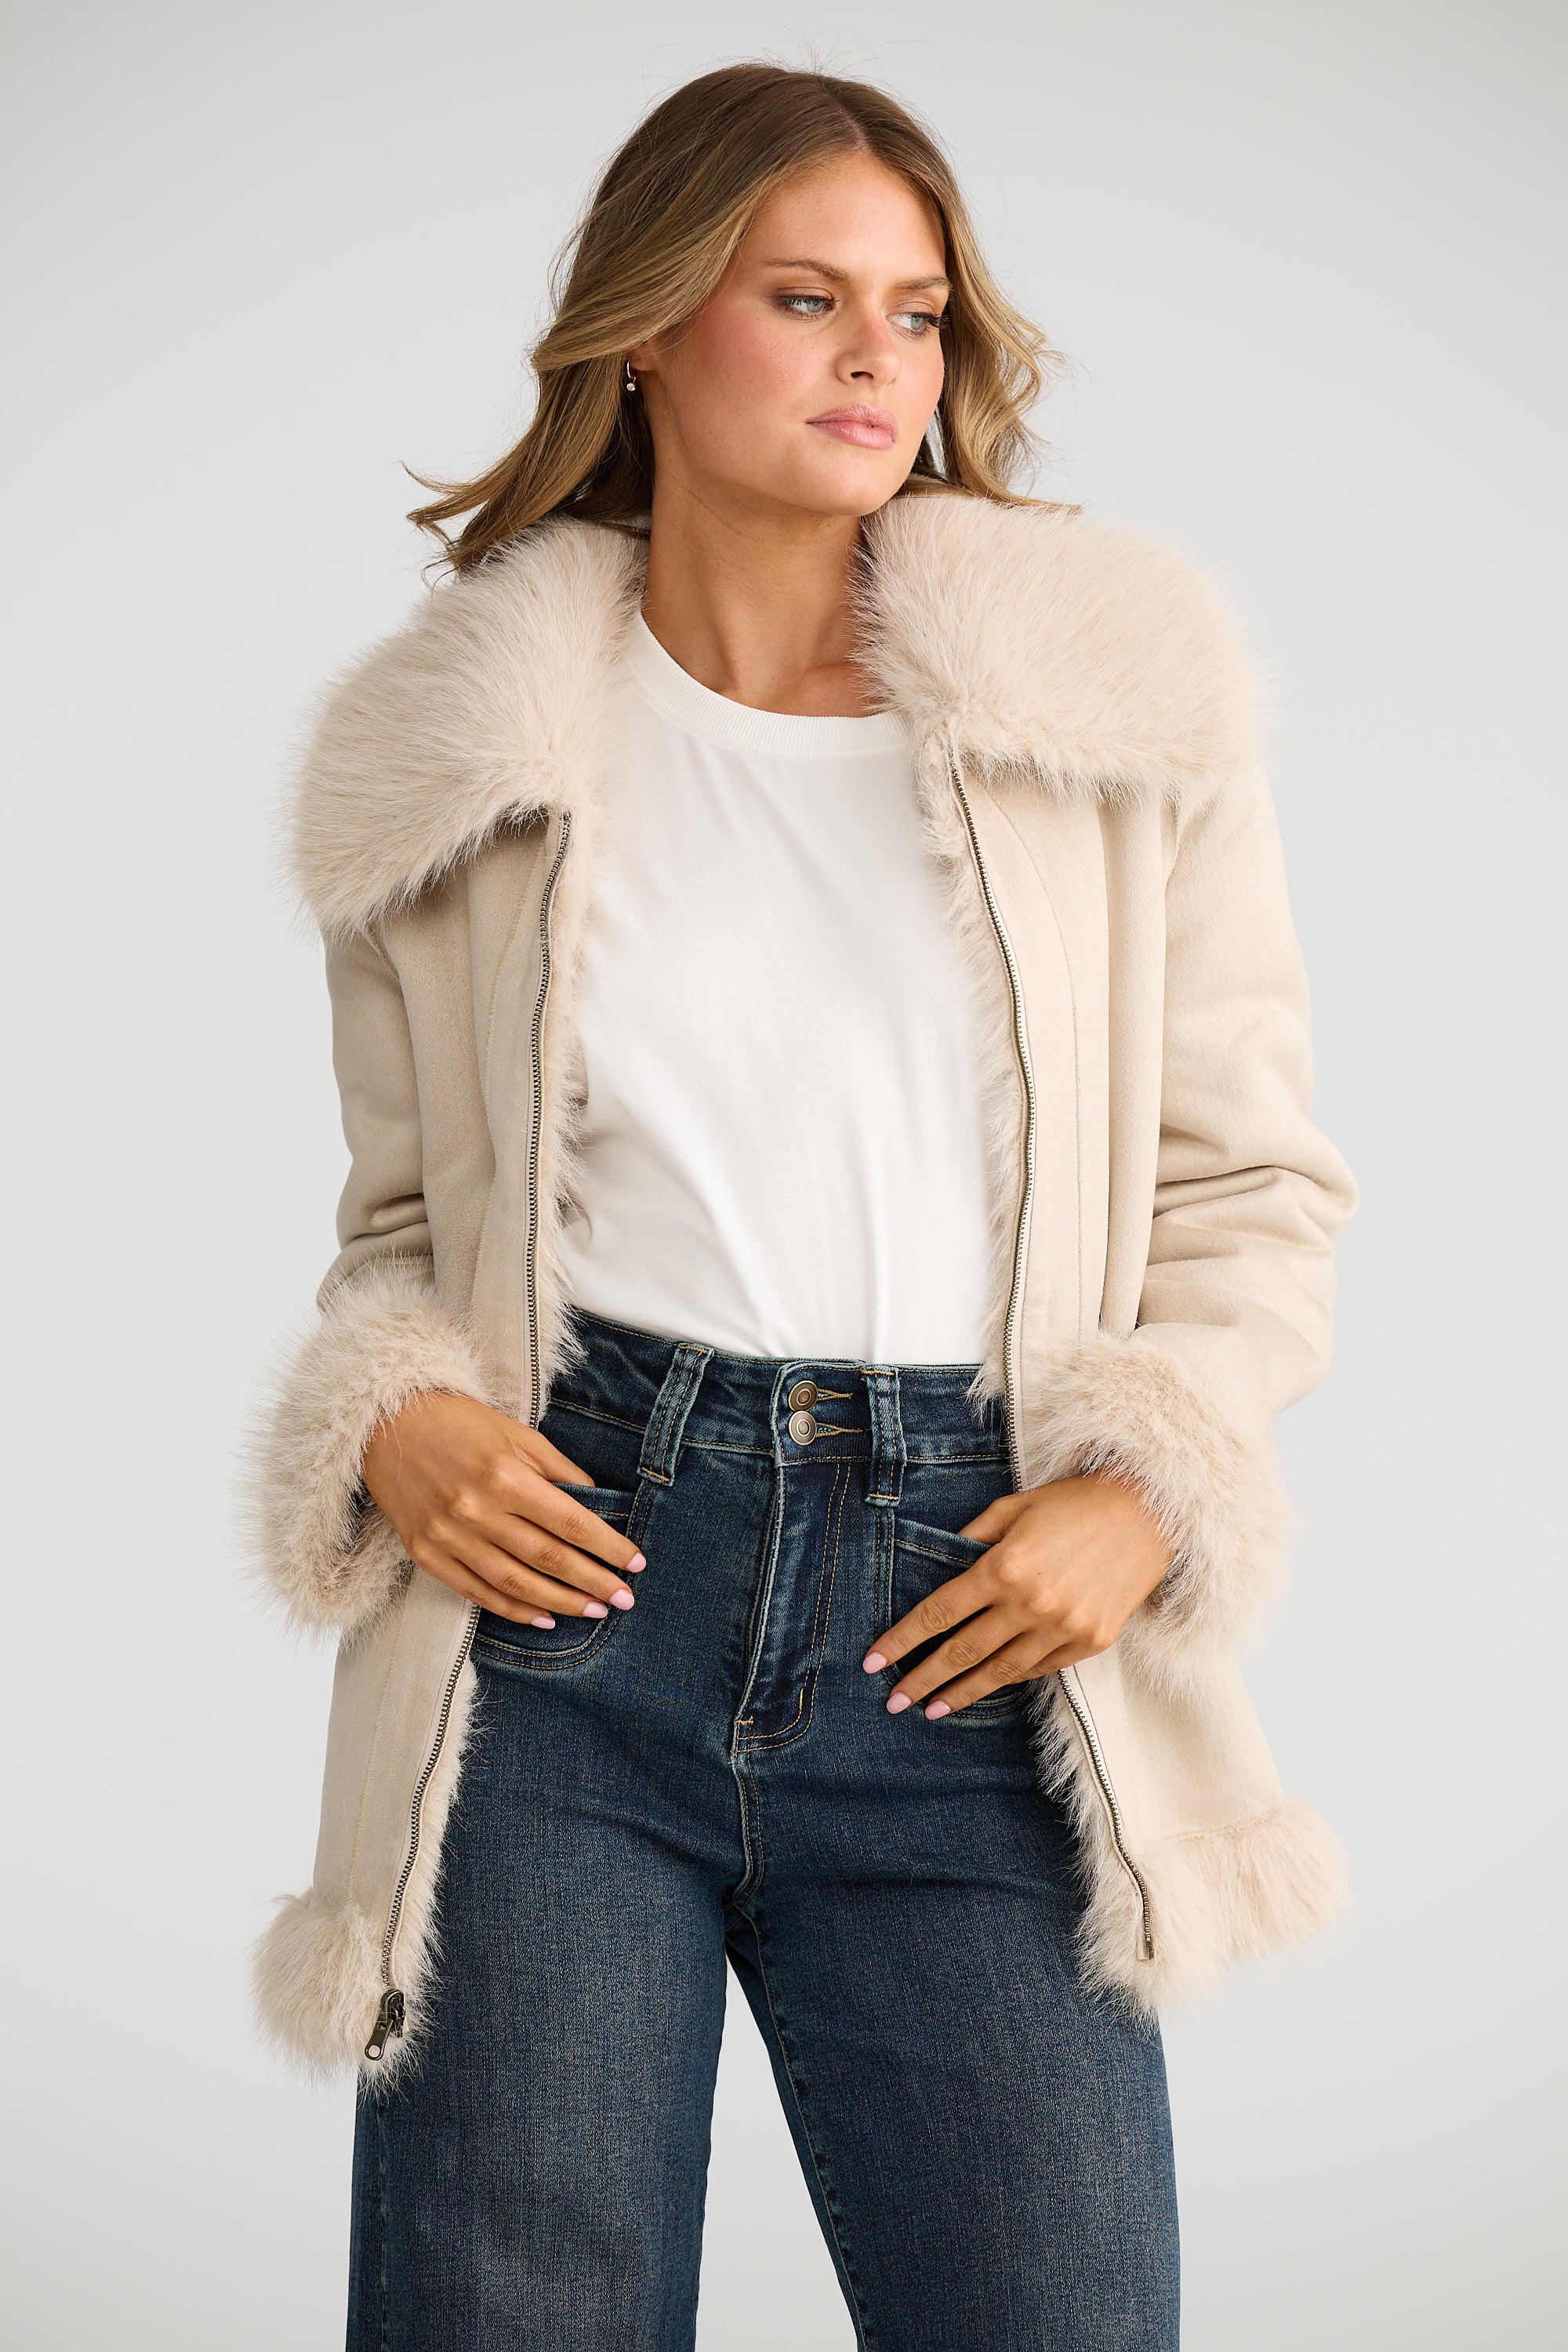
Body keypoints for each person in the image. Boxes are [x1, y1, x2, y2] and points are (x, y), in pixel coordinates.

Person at [249, 61, 1356, 2352]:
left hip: (975, 1604)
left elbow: (1251, 1189)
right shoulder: (455, 750)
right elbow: (402, 1235)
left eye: (918, 312)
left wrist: (1144, 1490)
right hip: (564, 1612)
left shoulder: (1108, 706)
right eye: (805, 297)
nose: (880, 358)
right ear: (651, 329)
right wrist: (396, 1418)